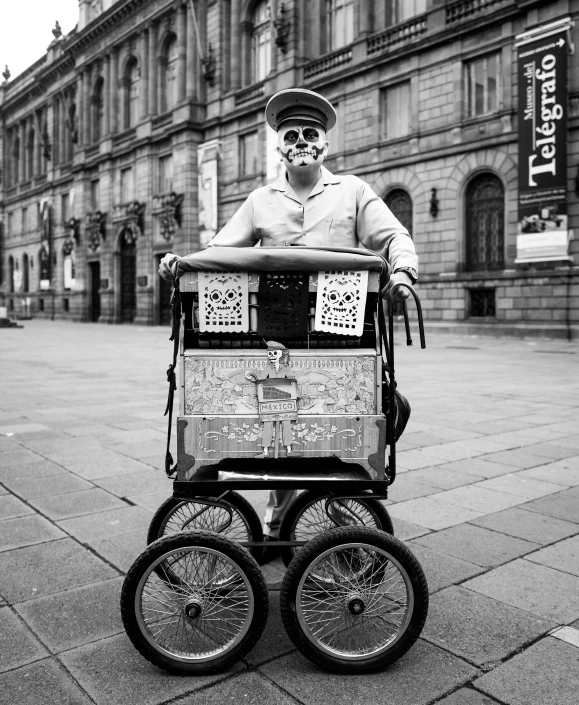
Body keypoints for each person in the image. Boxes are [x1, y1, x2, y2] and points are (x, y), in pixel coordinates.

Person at [159, 88, 418, 562]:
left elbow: (394, 235)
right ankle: (280, 520)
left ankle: (336, 512)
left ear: (325, 144)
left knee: (340, 420)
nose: (301, 141)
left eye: (310, 134)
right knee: (276, 418)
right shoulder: (261, 200)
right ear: (280, 145)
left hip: (341, 334)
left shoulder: (354, 192)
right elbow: (222, 251)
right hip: (272, 332)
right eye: (291, 134)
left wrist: (402, 272)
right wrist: (182, 262)